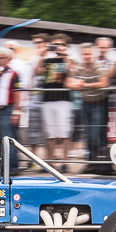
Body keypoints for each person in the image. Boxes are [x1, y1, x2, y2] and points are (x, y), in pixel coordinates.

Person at [68, 44, 108, 171]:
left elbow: (104, 83)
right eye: (85, 54)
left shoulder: (99, 66)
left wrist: (84, 84)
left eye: (89, 54)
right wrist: (76, 85)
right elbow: (69, 83)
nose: (87, 57)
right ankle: (91, 162)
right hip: (85, 103)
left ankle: (98, 161)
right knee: (88, 135)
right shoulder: (79, 68)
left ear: (94, 55)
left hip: (99, 103)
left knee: (96, 134)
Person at [36, 33, 73, 166]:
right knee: (50, 132)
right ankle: (50, 162)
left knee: (64, 131)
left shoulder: (68, 60)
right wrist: (43, 55)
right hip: (47, 99)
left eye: (61, 45)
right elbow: (37, 71)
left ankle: (65, 161)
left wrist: (63, 55)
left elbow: (70, 70)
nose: (58, 47)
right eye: (56, 44)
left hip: (63, 99)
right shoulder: (47, 60)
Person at [0, 48, 22, 173]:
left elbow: (17, 94)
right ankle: (6, 165)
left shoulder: (13, 74)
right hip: (1, 109)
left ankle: (13, 166)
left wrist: (16, 112)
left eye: (2, 57)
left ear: (8, 59)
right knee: (2, 138)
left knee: (9, 138)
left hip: (9, 109)